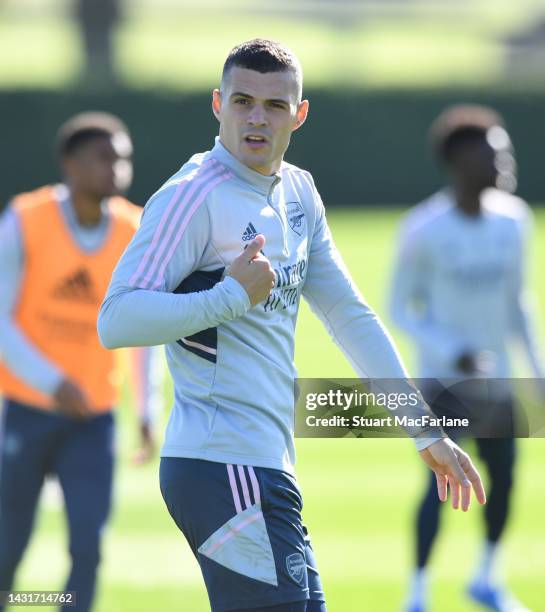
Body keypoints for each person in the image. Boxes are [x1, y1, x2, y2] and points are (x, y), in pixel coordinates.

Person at [98, 40, 486, 612]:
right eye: (242, 101)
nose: (257, 118)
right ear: (217, 104)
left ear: (299, 114)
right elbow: (115, 320)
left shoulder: (300, 191)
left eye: (275, 106)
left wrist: (424, 431)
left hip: (267, 466)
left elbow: (348, 314)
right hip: (219, 464)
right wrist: (228, 296)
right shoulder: (191, 196)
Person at [390, 105, 544, 612]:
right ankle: (417, 592)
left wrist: (537, 371)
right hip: (441, 383)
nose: (505, 158)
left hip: (497, 383)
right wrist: (451, 350)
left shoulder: (515, 220)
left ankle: (486, 577)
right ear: (459, 159)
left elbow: (517, 302)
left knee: (505, 480)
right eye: (493, 150)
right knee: (439, 484)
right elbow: (398, 308)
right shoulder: (424, 228)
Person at [0, 112, 157, 612]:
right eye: (103, 157)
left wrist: (147, 411)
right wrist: (50, 382)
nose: (117, 168)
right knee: (8, 547)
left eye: (123, 158)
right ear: (70, 163)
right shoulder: (26, 218)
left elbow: (145, 328)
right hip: (26, 409)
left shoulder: (137, 228)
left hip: (94, 417)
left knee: (88, 547)